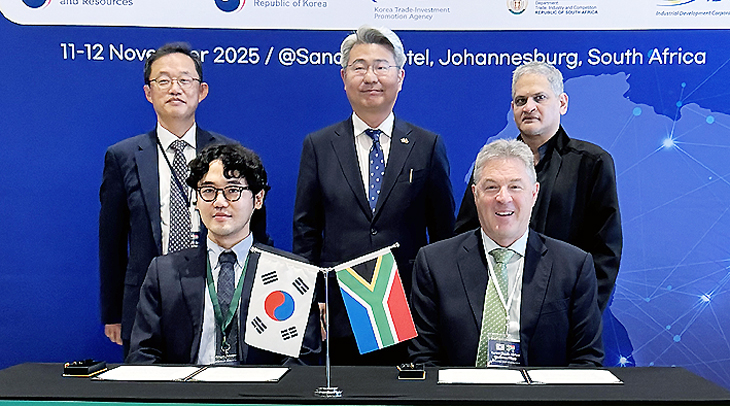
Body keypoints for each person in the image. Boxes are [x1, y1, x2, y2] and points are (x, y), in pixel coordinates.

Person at [292, 26, 455, 365]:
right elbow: (306, 231)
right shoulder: (319, 146)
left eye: (381, 66)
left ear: (400, 77)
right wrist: (312, 298)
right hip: (338, 308)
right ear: (344, 77)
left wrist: (439, 301)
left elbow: (443, 235)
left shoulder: (427, 146)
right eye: (359, 67)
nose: (371, 77)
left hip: (409, 308)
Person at [99, 42, 267, 355]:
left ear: (201, 91)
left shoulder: (230, 153)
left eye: (184, 80)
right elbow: (111, 241)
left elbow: (255, 230)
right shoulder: (123, 156)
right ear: (148, 92)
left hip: (217, 292)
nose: (174, 88)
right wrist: (113, 311)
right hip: (146, 300)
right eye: (163, 80)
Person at [409, 139, 603, 367]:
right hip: (461, 390)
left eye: (515, 187)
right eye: (491, 187)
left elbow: (587, 361)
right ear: (475, 195)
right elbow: (424, 360)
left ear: (534, 193)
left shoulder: (573, 267)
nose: (503, 198)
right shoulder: (435, 264)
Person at [127, 144, 320, 364]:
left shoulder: (290, 274)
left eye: (232, 190)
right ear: (197, 200)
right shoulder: (164, 274)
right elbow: (143, 354)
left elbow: (303, 358)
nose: (219, 202)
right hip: (189, 386)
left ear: (258, 199)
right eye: (208, 191)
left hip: (260, 386)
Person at [454, 62, 621, 312]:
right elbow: (465, 237)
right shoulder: (490, 163)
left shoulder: (592, 163)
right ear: (513, 108)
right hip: (493, 305)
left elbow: (605, 250)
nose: (529, 107)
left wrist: (583, 313)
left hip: (563, 307)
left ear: (562, 103)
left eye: (539, 98)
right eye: (520, 101)